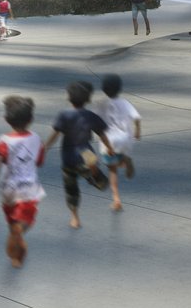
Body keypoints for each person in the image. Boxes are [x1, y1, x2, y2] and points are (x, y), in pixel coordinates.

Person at [42, 79, 115, 229]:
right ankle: (92, 175)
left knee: (71, 189)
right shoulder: (90, 115)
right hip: (86, 154)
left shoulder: (64, 115)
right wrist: (109, 148)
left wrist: (46, 147)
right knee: (101, 180)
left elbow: (55, 134)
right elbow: (102, 134)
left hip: (67, 158)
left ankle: (75, 218)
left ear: (68, 97)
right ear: (88, 99)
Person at [0, 95, 45, 268]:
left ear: (6, 119)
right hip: (27, 189)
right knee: (24, 221)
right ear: (31, 119)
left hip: (7, 189)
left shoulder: (4, 139)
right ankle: (18, 235)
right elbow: (39, 161)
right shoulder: (36, 139)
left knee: (12, 222)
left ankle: (15, 255)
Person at [91, 74, 141, 212]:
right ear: (119, 89)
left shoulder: (100, 103)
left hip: (109, 141)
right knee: (119, 156)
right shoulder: (125, 103)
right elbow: (136, 118)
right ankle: (125, 159)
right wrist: (137, 131)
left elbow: (93, 121)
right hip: (125, 139)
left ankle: (116, 199)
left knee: (112, 170)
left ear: (104, 89)